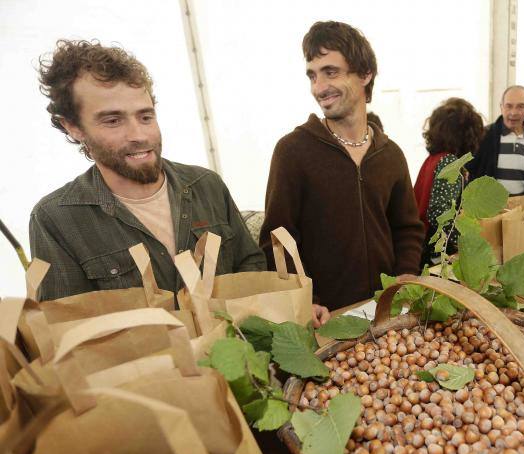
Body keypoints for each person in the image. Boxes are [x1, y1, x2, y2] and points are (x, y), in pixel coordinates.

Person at [29, 41, 281, 311]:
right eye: (113, 120)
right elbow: (71, 329)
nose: (139, 135)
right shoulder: (56, 219)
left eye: (146, 117)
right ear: (74, 127)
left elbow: (251, 268)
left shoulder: (206, 186)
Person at [259, 21, 424, 311]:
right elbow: (277, 240)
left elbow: (407, 228)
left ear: (365, 74)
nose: (319, 88)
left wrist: (405, 278)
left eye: (330, 72)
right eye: (312, 76)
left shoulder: (391, 155)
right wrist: (304, 301)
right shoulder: (293, 151)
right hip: (327, 317)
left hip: (386, 310)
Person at [414, 98, 484, 266]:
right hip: (437, 254)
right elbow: (439, 212)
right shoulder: (449, 163)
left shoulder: (434, 159)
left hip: (424, 245)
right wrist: (464, 241)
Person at [466, 85, 524, 195]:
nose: (513, 112)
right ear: (501, 107)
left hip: (519, 209)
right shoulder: (484, 136)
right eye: (509, 106)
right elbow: (469, 171)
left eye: (520, 106)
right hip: (488, 209)